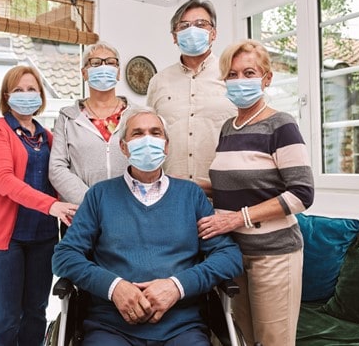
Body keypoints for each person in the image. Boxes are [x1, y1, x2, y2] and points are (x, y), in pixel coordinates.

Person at [52, 106, 243, 345]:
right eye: (137, 134)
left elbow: (228, 256)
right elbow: (64, 256)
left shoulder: (190, 196)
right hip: (110, 327)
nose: (147, 140)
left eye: (155, 133)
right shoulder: (100, 195)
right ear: (123, 147)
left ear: (166, 145)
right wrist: (115, 287)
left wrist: (177, 286)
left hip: (181, 327)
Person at [197, 39, 315, 346]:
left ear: (266, 78)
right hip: (234, 253)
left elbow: (301, 194)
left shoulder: (281, 125)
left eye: (248, 72)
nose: (239, 81)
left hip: (274, 254)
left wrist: (237, 219)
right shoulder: (228, 128)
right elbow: (237, 185)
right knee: (242, 338)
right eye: (232, 74)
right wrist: (196, 187)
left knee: (273, 340)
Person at [0, 65, 78, 346]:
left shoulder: (49, 137)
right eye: (18, 90)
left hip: (42, 238)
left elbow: (61, 177)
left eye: (31, 89)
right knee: (6, 317)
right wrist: (52, 206)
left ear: (41, 95)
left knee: (36, 313)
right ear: (6, 97)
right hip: (2, 240)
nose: (25, 94)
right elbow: (4, 181)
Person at [146, 0, 236, 197]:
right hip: (171, 196)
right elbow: (150, 134)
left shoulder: (232, 74)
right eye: (184, 26)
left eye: (201, 24)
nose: (192, 30)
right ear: (175, 36)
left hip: (224, 195)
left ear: (213, 33)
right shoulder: (158, 81)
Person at [49, 41, 130, 205]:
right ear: (84, 73)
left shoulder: (136, 116)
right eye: (96, 63)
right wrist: (92, 202)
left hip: (128, 210)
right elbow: (57, 168)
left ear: (118, 72)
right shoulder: (67, 118)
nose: (103, 67)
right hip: (82, 211)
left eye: (110, 62)